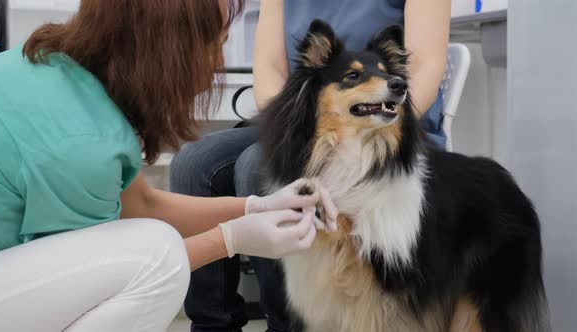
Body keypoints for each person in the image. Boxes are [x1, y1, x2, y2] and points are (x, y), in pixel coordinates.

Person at [0, 1, 338, 331]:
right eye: (217, 46)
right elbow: (86, 282)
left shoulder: (51, 69)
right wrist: (230, 239)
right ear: (169, 51)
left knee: (154, 244)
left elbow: (140, 205)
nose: (218, 64)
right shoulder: (83, 146)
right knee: (158, 258)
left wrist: (254, 207)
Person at [170, 0, 451, 331]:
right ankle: (212, 325)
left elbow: (426, 68)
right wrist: (294, 127)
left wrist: (363, 129)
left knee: (254, 168)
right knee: (193, 163)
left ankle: (288, 324)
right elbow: (271, 66)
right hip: (308, 120)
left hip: (385, 126)